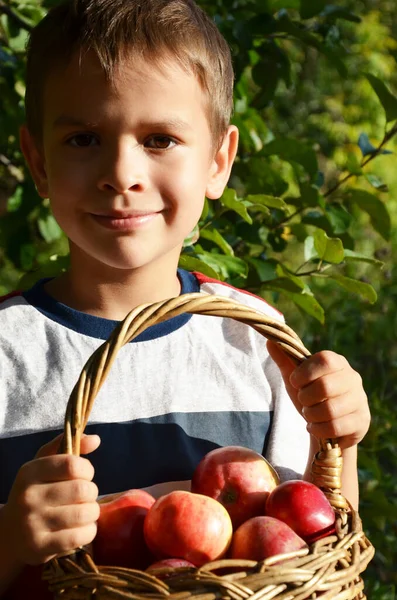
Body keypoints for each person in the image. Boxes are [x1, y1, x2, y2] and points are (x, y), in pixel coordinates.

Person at [0, 0, 370, 595]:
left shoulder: (252, 339)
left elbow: (319, 547)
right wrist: (9, 540)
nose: (121, 172)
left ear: (218, 162)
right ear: (38, 162)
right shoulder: (6, 353)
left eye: (160, 138)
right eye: (84, 137)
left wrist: (340, 442)